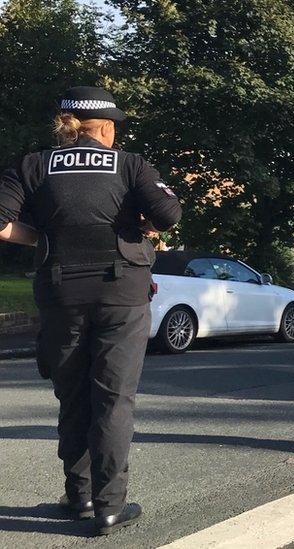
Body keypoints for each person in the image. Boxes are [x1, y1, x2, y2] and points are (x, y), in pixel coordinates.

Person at [0, 86, 182, 536]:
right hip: (122, 292)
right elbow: (168, 214)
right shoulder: (130, 164)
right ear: (105, 128)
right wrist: (139, 224)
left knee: (73, 394)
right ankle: (110, 506)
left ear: (65, 127)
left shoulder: (33, 165)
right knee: (113, 398)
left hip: (61, 293)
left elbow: (3, 224)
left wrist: (43, 237)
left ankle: (78, 494)